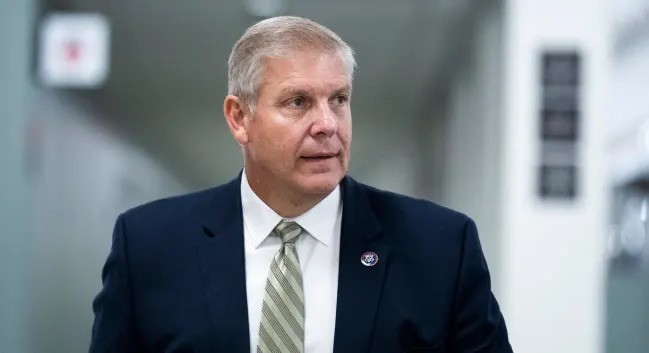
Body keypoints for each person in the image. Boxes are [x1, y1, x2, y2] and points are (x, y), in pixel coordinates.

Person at [89, 16, 512, 353]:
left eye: (339, 100)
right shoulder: (149, 247)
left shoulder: (439, 247)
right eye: (298, 102)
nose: (327, 125)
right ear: (240, 118)